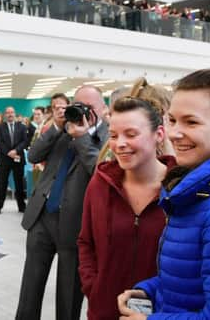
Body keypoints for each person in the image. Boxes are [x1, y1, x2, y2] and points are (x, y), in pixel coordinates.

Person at [117, 64, 210, 319]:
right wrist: (150, 290)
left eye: (191, 122)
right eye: (172, 120)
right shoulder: (195, 193)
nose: (174, 133)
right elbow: (190, 280)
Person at [78, 97, 176, 320]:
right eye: (113, 136)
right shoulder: (101, 184)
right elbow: (86, 241)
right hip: (104, 309)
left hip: (162, 312)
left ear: (158, 135)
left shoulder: (180, 189)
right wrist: (94, 289)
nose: (120, 143)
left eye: (131, 135)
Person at [17, 86, 108, 320]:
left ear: (103, 110)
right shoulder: (61, 130)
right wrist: (57, 126)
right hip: (41, 217)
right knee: (30, 290)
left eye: (89, 107)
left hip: (75, 225)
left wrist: (83, 138)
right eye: (78, 105)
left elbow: (102, 173)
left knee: (68, 297)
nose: (83, 112)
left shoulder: (108, 138)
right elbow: (33, 156)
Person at [0, 106, 28, 213]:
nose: (10, 114)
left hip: (18, 158)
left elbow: (25, 141)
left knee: (19, 184)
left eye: (12, 112)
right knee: (2, 184)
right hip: (4, 159)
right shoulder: (0, 127)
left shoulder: (22, 127)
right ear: (5, 115)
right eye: (8, 112)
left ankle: (21, 206)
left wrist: (15, 151)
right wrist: (9, 153)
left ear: (15, 114)